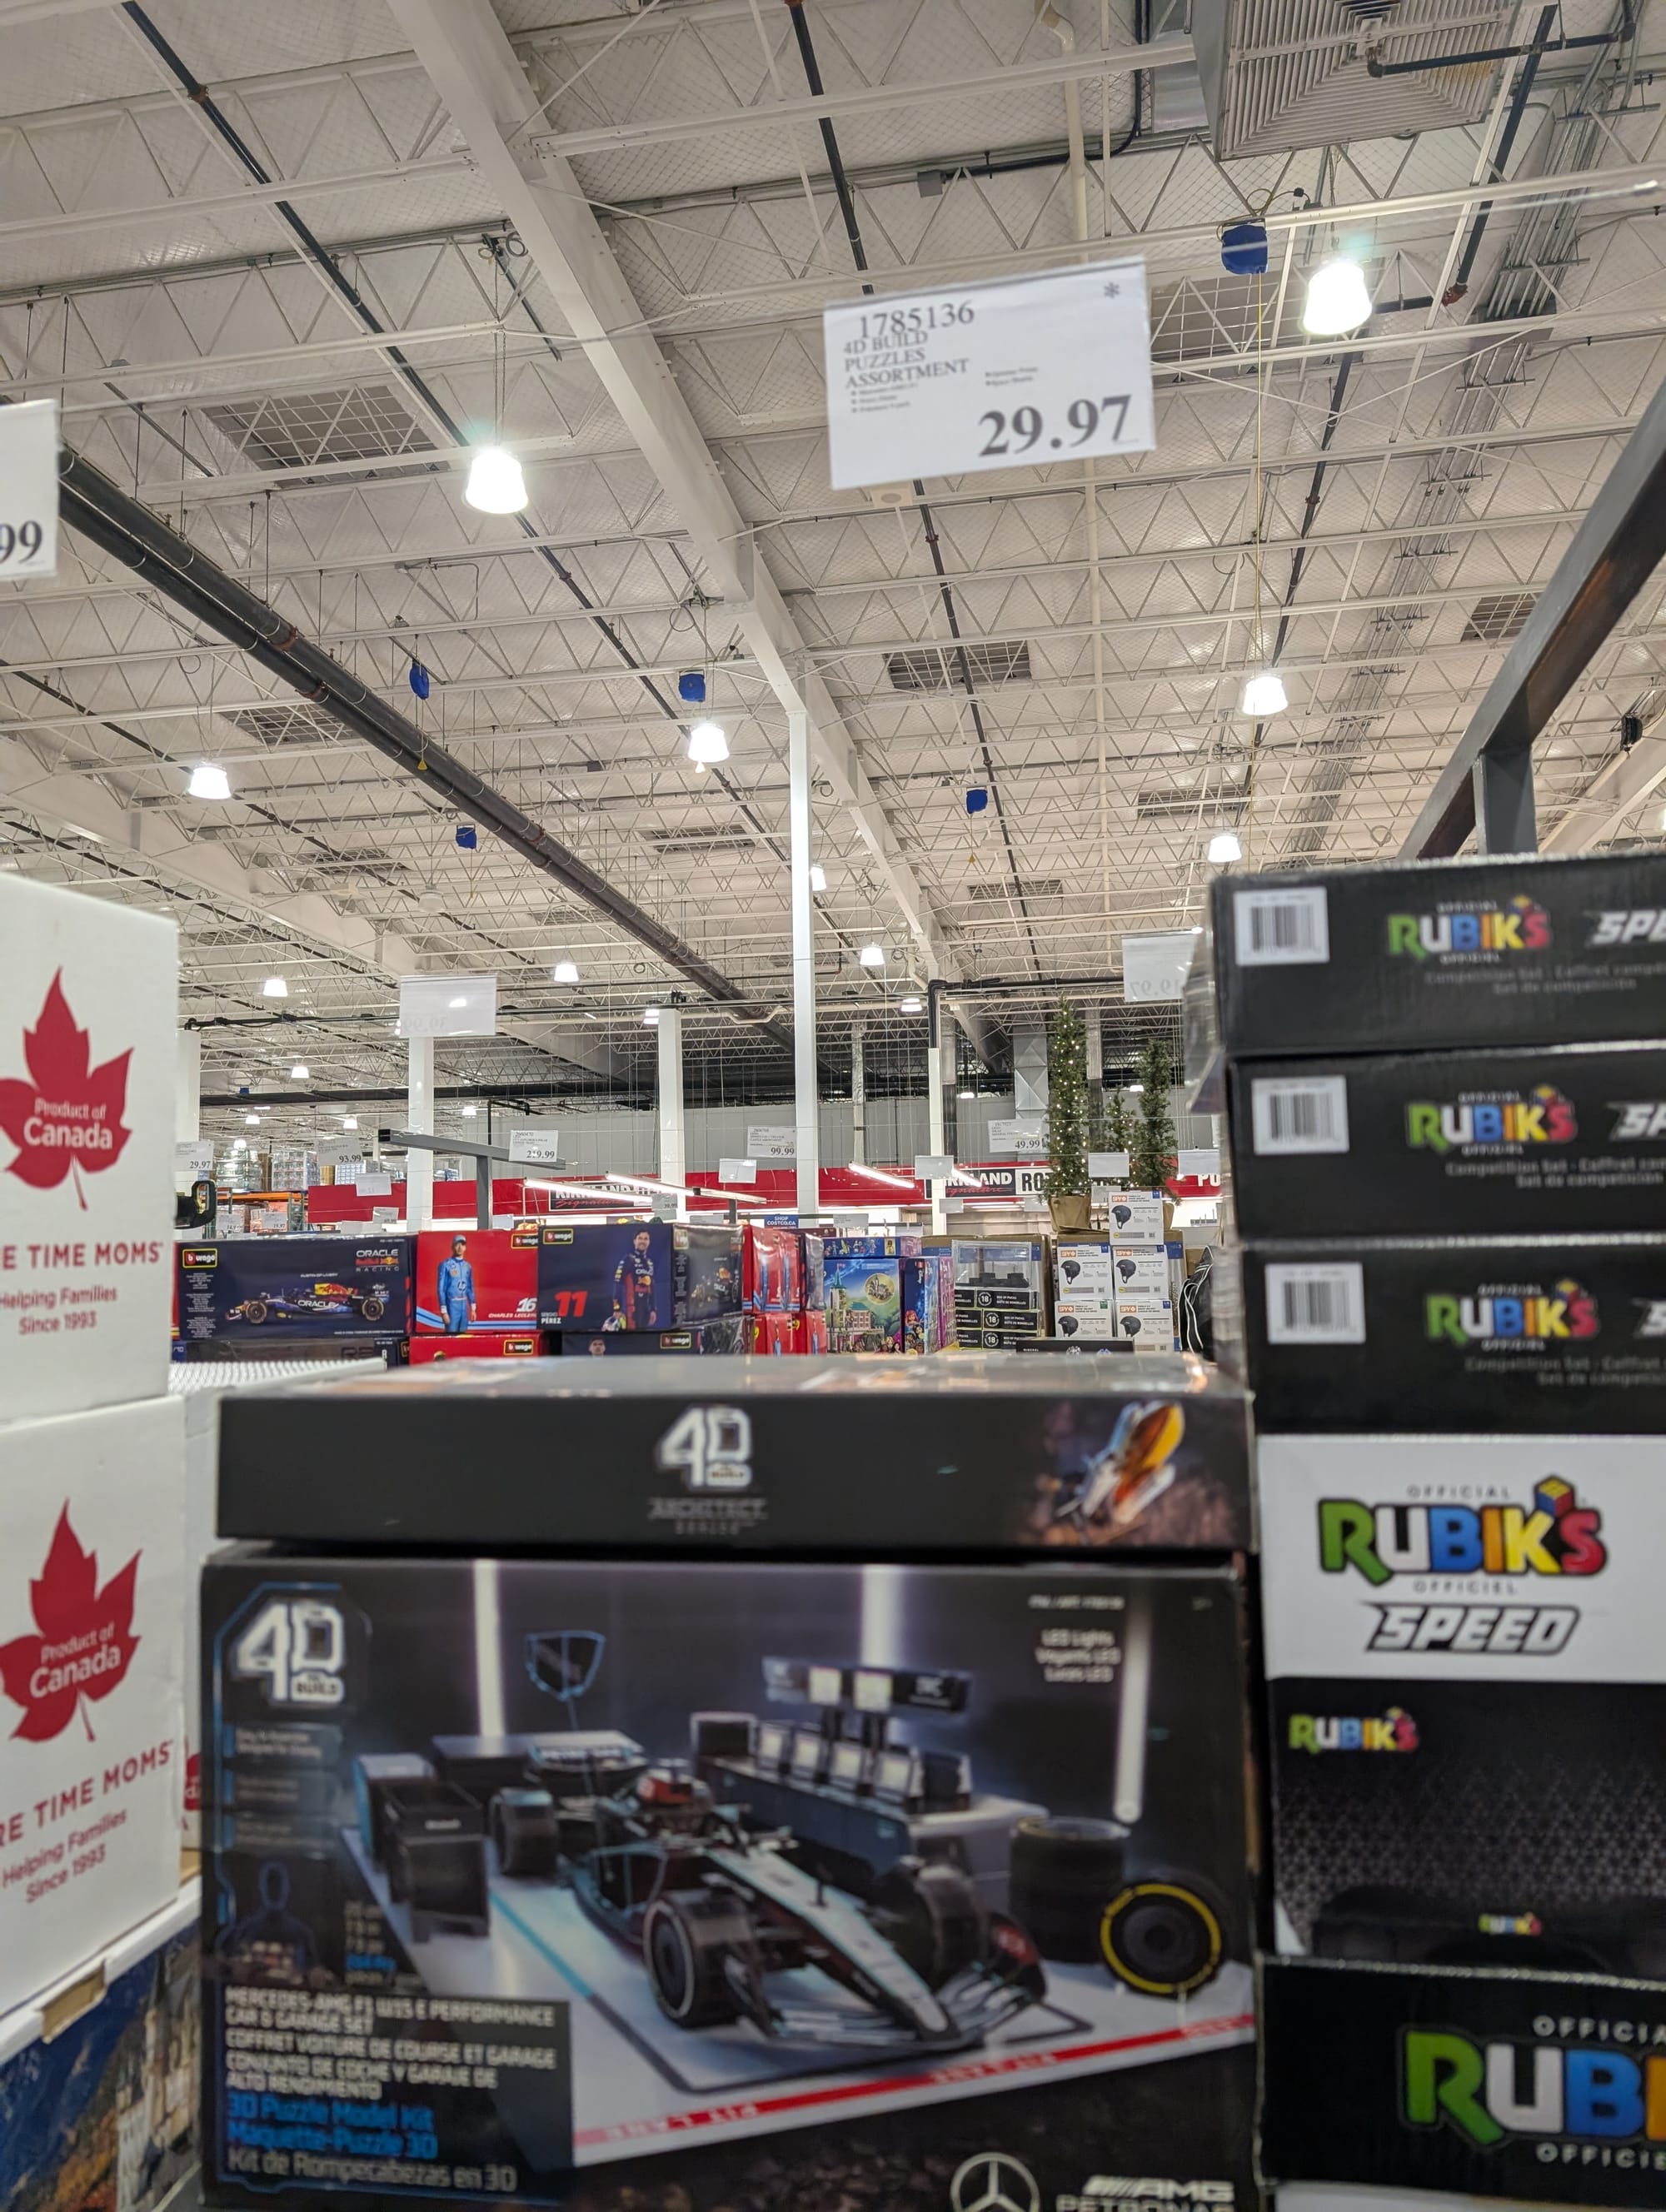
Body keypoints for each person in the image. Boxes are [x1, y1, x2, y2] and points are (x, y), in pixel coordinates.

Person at [613, 1228, 658, 1328]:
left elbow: (652, 1287)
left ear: (649, 1242)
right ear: (635, 1241)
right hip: (630, 1309)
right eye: (640, 1238)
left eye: (646, 1239)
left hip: (645, 1310)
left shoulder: (649, 1263)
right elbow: (617, 1283)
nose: (643, 1241)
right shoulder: (628, 1260)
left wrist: (653, 1309)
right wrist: (617, 1308)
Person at [437, 1235, 476, 1334]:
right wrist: (444, 1311)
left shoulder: (467, 1266)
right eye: (457, 1244)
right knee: (451, 1335)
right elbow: (441, 1289)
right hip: (452, 1306)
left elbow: (470, 1288)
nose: (460, 1247)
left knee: (463, 1336)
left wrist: (473, 1309)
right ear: (452, 1247)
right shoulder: (446, 1265)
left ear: (465, 1247)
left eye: (462, 1245)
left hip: (464, 1307)